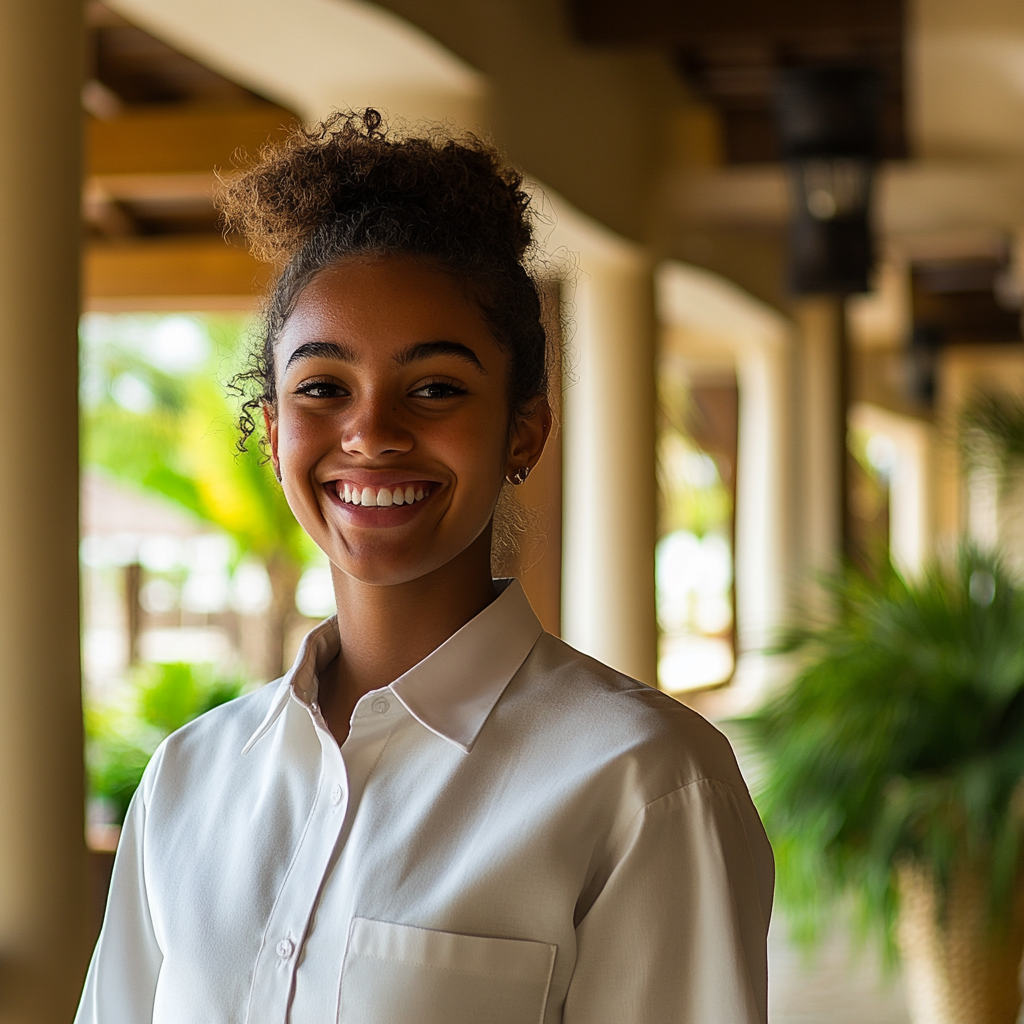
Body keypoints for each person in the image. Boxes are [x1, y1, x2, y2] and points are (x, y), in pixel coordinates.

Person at [75, 110, 773, 1024]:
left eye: (436, 387)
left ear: (524, 428)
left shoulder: (644, 783)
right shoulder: (190, 780)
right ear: (276, 429)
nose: (371, 432)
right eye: (323, 387)